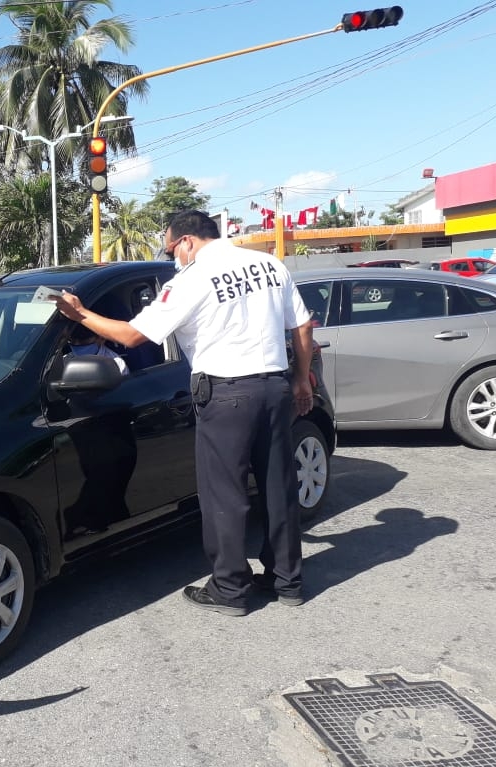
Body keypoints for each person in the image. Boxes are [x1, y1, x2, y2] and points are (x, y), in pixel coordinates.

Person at [51, 209, 314, 616]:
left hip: (228, 394)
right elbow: (302, 326)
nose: (173, 256)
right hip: (275, 387)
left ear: (188, 240)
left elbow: (133, 334)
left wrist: (80, 314)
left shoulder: (192, 280)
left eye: (171, 247)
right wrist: (301, 379)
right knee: (278, 486)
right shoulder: (267, 264)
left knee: (223, 494)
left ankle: (230, 589)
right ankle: (287, 580)